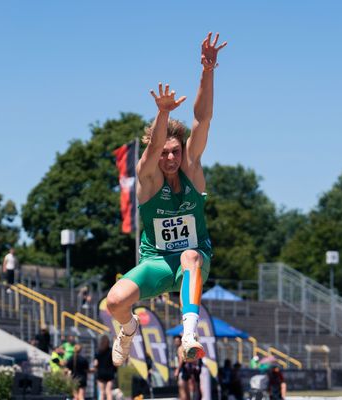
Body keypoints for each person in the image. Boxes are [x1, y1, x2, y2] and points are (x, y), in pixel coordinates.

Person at [106, 32, 226, 366]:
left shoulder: (192, 168)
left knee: (189, 254)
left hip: (194, 262)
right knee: (114, 301)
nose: (171, 158)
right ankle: (128, 330)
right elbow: (154, 149)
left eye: (176, 151)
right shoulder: (147, 177)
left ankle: (190, 333)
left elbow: (202, 119)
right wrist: (162, 114)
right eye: (165, 153)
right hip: (156, 261)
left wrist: (208, 69)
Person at [93, 335, 116, 400]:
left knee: (102, 392)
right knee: (108, 391)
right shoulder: (111, 351)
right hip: (110, 373)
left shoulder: (98, 352)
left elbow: (95, 363)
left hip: (100, 374)